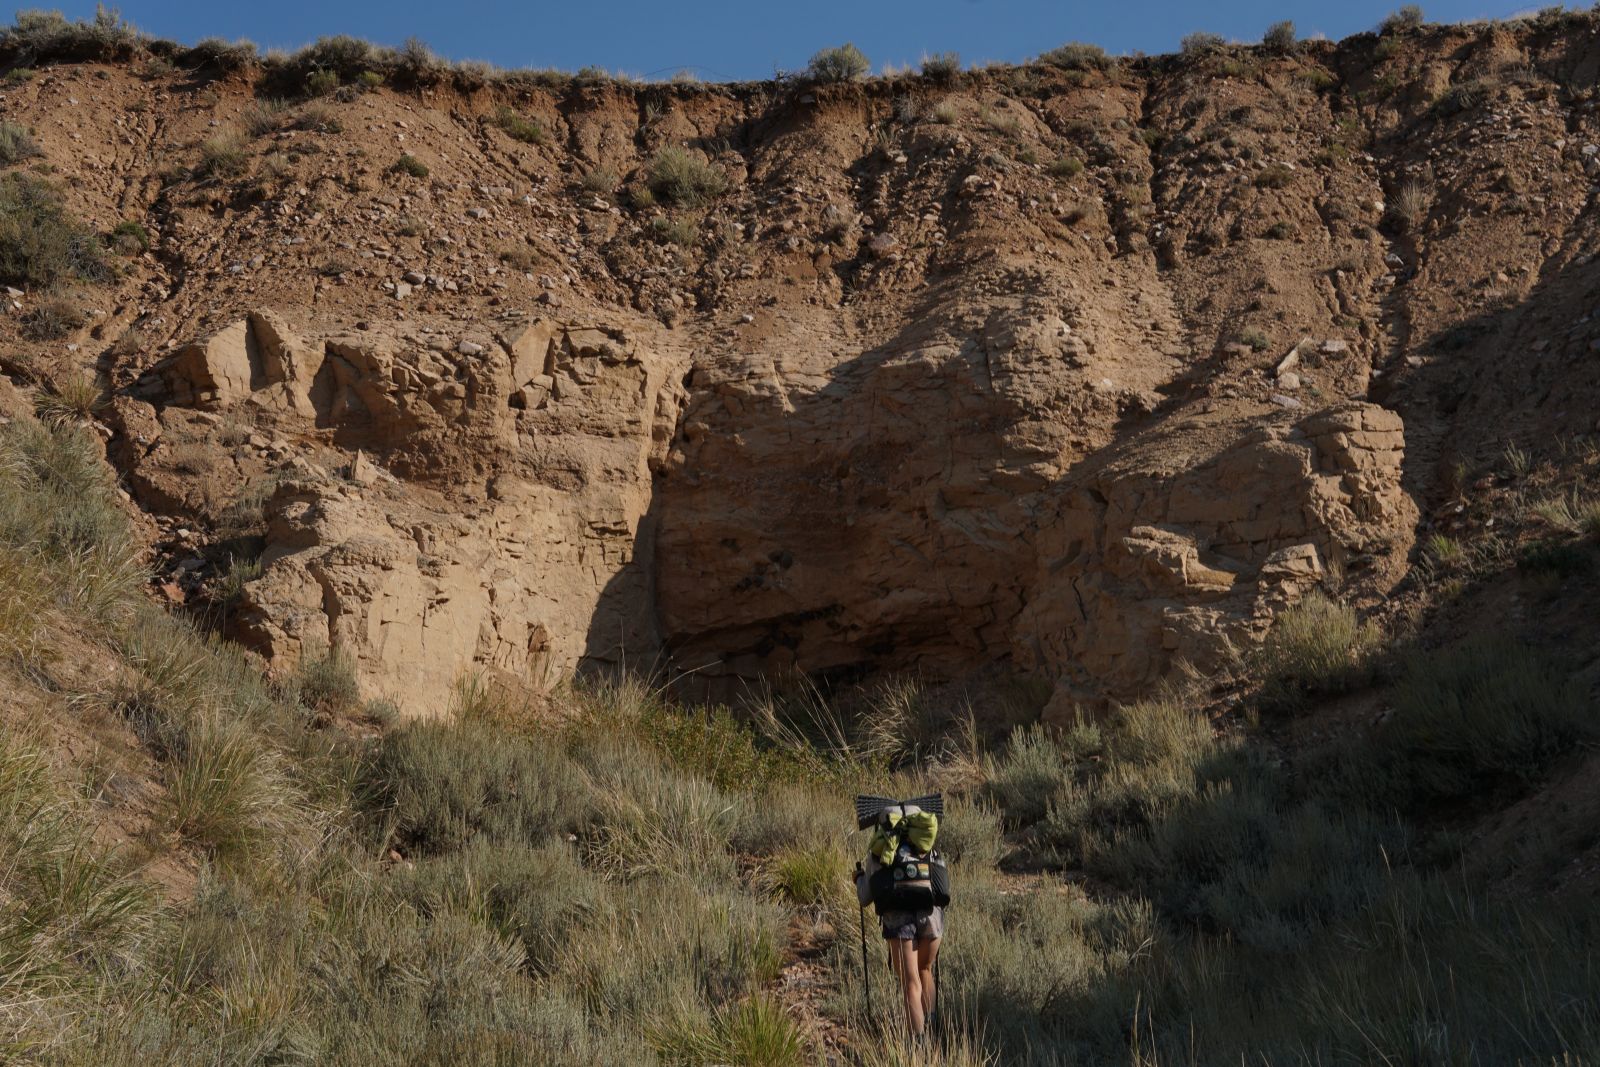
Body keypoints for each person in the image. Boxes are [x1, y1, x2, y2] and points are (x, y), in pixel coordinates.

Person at [881, 901, 941, 1039]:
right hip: (931, 908)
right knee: (924, 970)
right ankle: (931, 1037)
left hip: (897, 909)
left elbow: (866, 894)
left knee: (911, 984)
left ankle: (919, 1051)